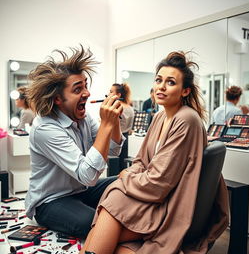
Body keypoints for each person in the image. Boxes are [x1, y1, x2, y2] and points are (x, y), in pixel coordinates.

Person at [80, 51, 229, 254]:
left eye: (170, 82)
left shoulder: (187, 120)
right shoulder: (159, 117)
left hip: (169, 205)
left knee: (114, 199)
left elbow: (159, 183)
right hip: (151, 195)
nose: (161, 86)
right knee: (113, 206)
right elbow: (141, 161)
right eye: (159, 80)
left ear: (185, 91)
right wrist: (130, 175)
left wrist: (125, 177)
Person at [25, 45, 125, 238]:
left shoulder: (83, 118)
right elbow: (87, 175)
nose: (87, 93)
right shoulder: (45, 128)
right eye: (78, 89)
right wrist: (105, 124)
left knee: (125, 182)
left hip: (80, 191)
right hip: (51, 201)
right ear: (57, 99)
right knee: (92, 223)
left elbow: (114, 150)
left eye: (85, 85)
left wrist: (114, 121)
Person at [109, 83, 135, 171]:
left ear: (118, 95)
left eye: (111, 92)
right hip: (126, 138)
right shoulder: (130, 108)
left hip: (116, 138)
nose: (108, 94)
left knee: (114, 166)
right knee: (123, 165)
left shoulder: (117, 107)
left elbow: (112, 124)